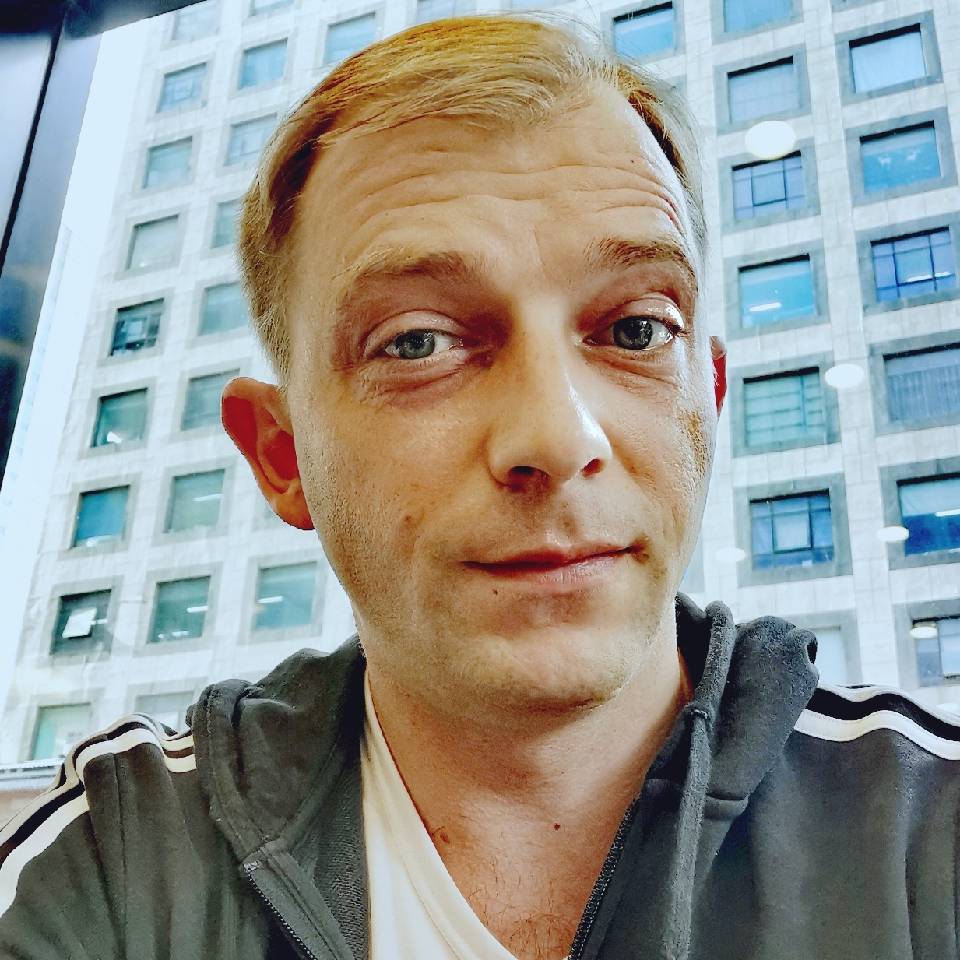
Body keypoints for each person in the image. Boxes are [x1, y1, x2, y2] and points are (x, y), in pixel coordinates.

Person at [1, 11, 957, 960]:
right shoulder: (118, 866)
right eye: (417, 342)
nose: (558, 437)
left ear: (706, 398)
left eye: (635, 331)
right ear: (282, 456)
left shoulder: (927, 833)